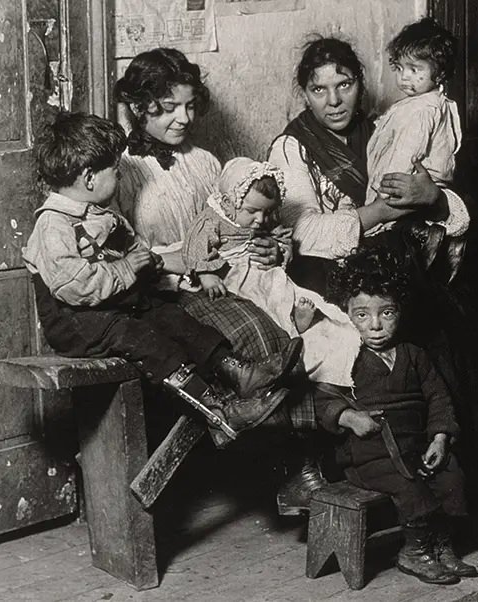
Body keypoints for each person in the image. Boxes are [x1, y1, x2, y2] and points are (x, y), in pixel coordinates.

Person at [268, 36, 478, 555]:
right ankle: (444, 520)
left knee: (470, 348)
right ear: (304, 93)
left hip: (405, 276)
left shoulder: (397, 123)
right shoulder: (292, 147)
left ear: (361, 84)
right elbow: (305, 234)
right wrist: (386, 213)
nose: (334, 100)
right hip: (332, 286)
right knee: (418, 349)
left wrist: (434, 197)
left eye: (344, 84)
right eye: (319, 89)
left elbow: (459, 209)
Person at [112, 48, 326, 514]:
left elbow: (245, 222)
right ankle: (295, 468)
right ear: (137, 106)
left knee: (299, 326)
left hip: (228, 278)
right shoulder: (121, 170)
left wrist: (271, 247)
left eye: (190, 105)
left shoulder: (208, 162)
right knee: (256, 330)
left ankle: (308, 464)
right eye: (167, 109)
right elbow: (125, 255)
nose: (183, 118)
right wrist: (186, 264)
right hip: (166, 293)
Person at [22, 112, 301, 444]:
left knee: (170, 315)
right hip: (75, 321)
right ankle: (219, 410)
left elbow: (142, 257)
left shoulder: (102, 214)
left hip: (109, 307)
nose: (119, 176)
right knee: (145, 338)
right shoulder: (53, 225)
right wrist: (127, 267)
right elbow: (74, 287)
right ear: (89, 177)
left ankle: (238, 371)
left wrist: (168, 263)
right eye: (115, 170)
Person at [319, 246, 478, 584]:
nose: (375, 325)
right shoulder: (344, 356)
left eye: (387, 313)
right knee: (411, 488)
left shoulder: (413, 354)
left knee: (451, 477)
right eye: (362, 315)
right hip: (369, 453)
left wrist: (439, 437)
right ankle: (414, 551)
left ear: (400, 311)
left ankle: (440, 545)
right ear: (344, 313)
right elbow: (321, 399)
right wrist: (348, 416)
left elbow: (438, 396)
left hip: (414, 444)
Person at [182, 156, 361, 387]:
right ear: (229, 201)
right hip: (233, 276)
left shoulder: (258, 218)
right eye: (252, 211)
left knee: (283, 289)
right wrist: (207, 274)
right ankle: (290, 329)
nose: (260, 220)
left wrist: (279, 246)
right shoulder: (212, 219)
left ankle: (296, 319)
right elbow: (194, 246)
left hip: (261, 272)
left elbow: (278, 233)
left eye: (266, 213)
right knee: (261, 302)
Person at [364, 18, 462, 254]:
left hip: (406, 196)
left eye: (414, 69)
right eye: (399, 68)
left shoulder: (421, 110)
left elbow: (406, 154)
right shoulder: (429, 103)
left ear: (438, 74)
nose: (404, 77)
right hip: (423, 198)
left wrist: (381, 196)